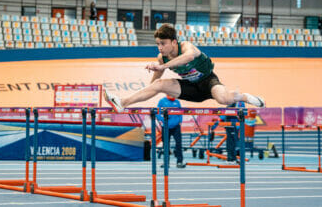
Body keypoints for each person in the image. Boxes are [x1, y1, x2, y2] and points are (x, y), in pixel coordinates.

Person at [103, 23, 265, 113]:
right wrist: (148, 89)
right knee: (159, 85)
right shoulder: (162, 58)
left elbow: (188, 57)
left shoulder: (186, 47)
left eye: (163, 43)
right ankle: (122, 103)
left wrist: (162, 65)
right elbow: (156, 81)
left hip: (208, 82)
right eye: (157, 44)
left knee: (224, 99)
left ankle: (244, 97)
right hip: (190, 87)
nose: (160, 47)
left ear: (174, 42)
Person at [156, 95, 185, 168]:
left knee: (178, 144)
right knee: (166, 145)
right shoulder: (162, 101)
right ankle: (166, 163)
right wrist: (162, 120)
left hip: (176, 127)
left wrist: (180, 121)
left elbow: (181, 112)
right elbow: (157, 112)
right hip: (165, 126)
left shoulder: (177, 102)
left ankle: (179, 162)